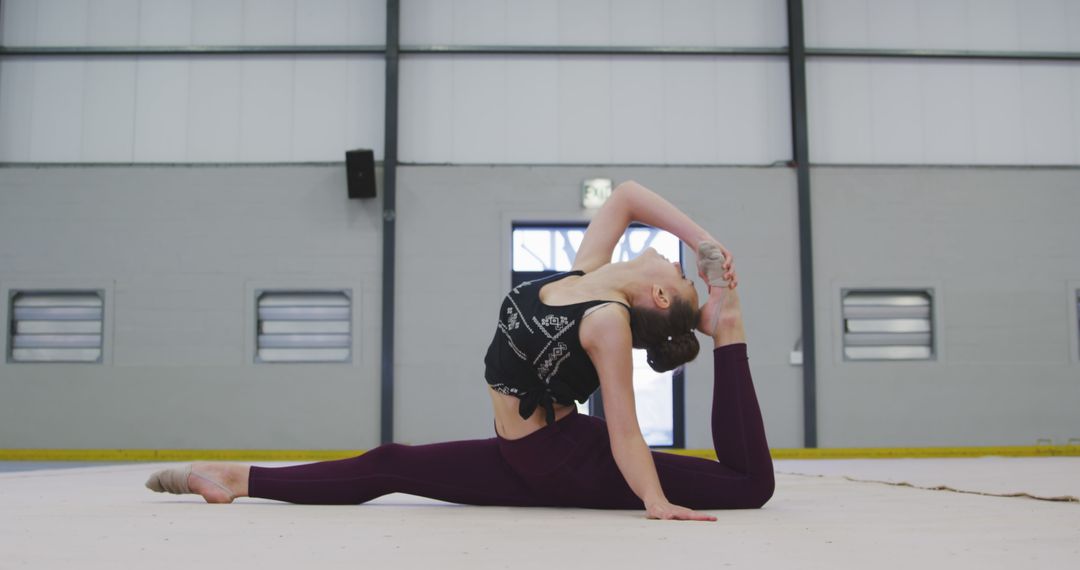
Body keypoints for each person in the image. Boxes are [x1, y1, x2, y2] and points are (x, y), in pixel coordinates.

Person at [146, 180, 775, 521]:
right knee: (391, 462)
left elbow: (626, 432)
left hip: (560, 456)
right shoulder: (586, 273)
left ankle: (729, 331)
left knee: (748, 486)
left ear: (661, 297)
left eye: (684, 271)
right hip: (522, 451)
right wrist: (705, 238)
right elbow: (628, 196)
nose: (679, 261)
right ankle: (236, 479)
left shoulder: (608, 321)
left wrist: (656, 502)